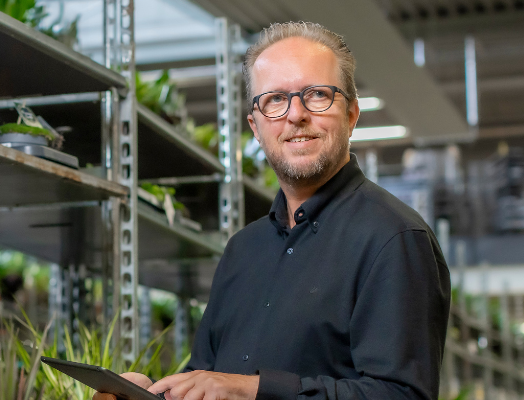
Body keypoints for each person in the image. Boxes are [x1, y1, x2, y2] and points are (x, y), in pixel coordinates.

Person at [94, 21, 450, 400]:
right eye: (275, 99)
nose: (296, 114)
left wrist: (254, 389)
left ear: (351, 114)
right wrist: (152, 394)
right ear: (256, 126)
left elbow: (402, 395)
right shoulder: (242, 251)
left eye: (317, 94)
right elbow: (208, 381)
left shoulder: (394, 239)